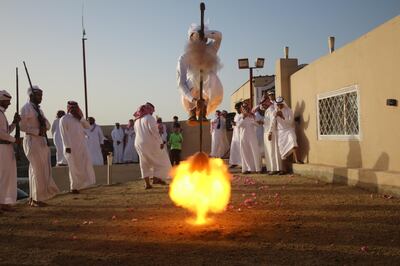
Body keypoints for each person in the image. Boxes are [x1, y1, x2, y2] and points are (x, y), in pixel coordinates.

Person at [20, 86, 59, 207]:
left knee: (40, 170)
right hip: (32, 140)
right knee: (37, 169)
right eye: (38, 95)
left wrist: (44, 126)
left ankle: (34, 198)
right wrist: (37, 131)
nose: (41, 98)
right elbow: (22, 127)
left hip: (41, 140)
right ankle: (36, 199)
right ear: (31, 95)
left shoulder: (38, 110)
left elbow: (47, 124)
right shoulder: (26, 108)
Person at [177, 24, 223, 122]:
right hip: (190, 96)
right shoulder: (184, 58)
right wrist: (193, 100)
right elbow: (181, 84)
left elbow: (219, 36)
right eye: (197, 38)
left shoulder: (211, 49)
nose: (201, 41)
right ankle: (192, 112)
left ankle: (203, 110)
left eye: (203, 38)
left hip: (209, 94)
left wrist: (204, 33)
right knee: (195, 76)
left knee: (209, 75)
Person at [59, 101, 96, 194]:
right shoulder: (64, 119)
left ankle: (85, 184)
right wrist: (67, 146)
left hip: (82, 146)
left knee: (85, 164)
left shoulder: (79, 118)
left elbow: (88, 127)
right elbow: (63, 134)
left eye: (76, 108)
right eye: (73, 108)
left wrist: (81, 118)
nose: (75, 110)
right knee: (73, 167)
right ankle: (73, 187)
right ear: (69, 108)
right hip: (70, 148)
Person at [134, 102, 171, 189]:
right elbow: (154, 131)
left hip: (138, 143)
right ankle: (156, 178)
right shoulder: (149, 118)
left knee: (144, 162)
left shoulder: (137, 120)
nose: (152, 113)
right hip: (149, 143)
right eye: (152, 111)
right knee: (162, 159)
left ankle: (148, 184)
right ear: (149, 110)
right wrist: (161, 142)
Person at [0, 90, 20, 211]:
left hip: (6, 148)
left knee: (7, 175)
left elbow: (6, 131)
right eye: (8, 101)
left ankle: (4, 202)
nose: (9, 104)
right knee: (2, 175)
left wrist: (14, 123)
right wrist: (14, 140)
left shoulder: (2, 114)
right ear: (1, 100)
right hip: (1, 148)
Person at [273, 97, 302, 164]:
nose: (279, 106)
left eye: (280, 104)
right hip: (280, 132)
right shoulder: (275, 112)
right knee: (282, 150)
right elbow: (273, 123)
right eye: (278, 104)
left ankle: (297, 159)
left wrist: (282, 116)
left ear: (283, 103)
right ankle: (285, 168)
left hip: (289, 130)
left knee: (293, 142)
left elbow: (290, 122)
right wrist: (275, 116)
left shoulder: (289, 110)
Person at [237, 103, 262, 174]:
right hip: (243, 137)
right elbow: (238, 125)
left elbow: (257, 124)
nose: (245, 109)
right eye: (243, 108)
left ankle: (257, 169)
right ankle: (248, 168)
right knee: (245, 153)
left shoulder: (252, 116)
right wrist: (243, 117)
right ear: (242, 109)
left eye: (246, 108)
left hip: (252, 136)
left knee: (255, 151)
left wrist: (257, 121)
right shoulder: (240, 116)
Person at [261, 96, 282, 175]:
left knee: (273, 151)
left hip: (271, 132)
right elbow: (267, 122)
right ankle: (271, 168)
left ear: (267, 102)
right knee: (268, 151)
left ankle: (275, 168)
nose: (263, 105)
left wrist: (270, 132)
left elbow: (273, 121)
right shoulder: (267, 110)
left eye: (264, 103)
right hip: (266, 132)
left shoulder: (272, 109)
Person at [229, 102, 242, 168]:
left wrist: (236, 124)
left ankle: (242, 163)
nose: (237, 110)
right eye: (236, 108)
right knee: (234, 148)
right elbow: (235, 124)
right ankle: (234, 162)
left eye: (238, 108)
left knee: (241, 148)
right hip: (235, 134)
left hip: (241, 134)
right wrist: (233, 124)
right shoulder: (236, 115)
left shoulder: (243, 115)